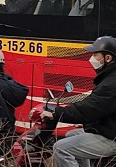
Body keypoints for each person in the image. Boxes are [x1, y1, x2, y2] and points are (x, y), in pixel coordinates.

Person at [41, 36, 116, 167]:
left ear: (108, 58)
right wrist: (87, 123)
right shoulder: (109, 78)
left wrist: (55, 113)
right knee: (71, 134)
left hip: (111, 138)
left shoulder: (110, 84)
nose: (91, 58)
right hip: (108, 130)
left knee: (60, 148)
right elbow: (102, 108)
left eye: (95, 54)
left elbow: (89, 108)